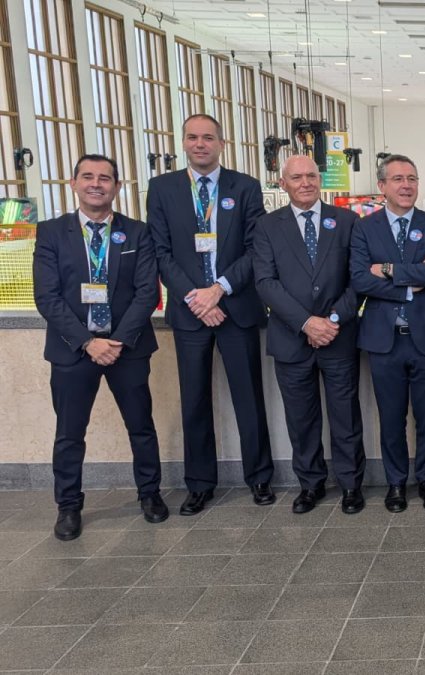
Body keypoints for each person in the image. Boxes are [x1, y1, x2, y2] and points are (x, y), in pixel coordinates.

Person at [33, 154, 167, 540]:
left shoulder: (137, 233)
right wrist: (88, 342)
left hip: (128, 348)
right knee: (69, 433)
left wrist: (117, 341)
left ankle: (150, 493)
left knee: (141, 426)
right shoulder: (52, 232)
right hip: (73, 349)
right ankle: (68, 506)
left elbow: (147, 293)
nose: (96, 184)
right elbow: (47, 297)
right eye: (88, 177)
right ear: (74, 183)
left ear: (117, 187)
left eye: (105, 178)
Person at [147, 113, 273, 515]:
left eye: (207, 137)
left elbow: (256, 248)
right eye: (192, 137)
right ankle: (199, 484)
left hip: (236, 307)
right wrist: (195, 298)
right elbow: (160, 252)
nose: (200, 144)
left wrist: (219, 290)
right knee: (195, 400)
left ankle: (260, 477)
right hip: (190, 314)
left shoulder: (245, 187)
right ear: (184, 142)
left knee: (249, 397)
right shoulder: (162, 189)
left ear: (221, 143)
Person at [253, 155, 365, 515]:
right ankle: (311, 484)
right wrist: (306, 323)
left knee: (345, 416)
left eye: (312, 176)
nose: (305, 183)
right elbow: (265, 282)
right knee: (301, 420)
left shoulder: (346, 221)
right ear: (282, 183)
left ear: (320, 180)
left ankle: (351, 485)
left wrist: (330, 320)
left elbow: (357, 280)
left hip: (338, 336)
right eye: (297, 177)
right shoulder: (267, 226)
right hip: (291, 340)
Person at [351, 154, 425, 514]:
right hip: (384, 340)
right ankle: (396, 483)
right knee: (391, 419)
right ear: (382, 186)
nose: (406, 185)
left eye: (412, 178)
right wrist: (411, 283)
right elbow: (360, 279)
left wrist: (387, 270)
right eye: (397, 179)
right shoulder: (364, 228)